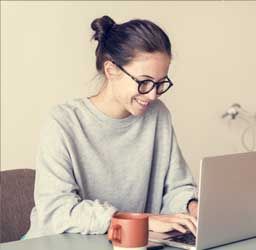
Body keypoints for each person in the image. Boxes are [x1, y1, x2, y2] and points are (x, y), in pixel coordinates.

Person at [24, 15, 198, 239]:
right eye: (144, 82)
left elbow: (177, 188)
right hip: (56, 243)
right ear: (111, 70)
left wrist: (192, 207)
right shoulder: (63, 122)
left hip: (125, 242)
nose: (153, 94)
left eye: (160, 83)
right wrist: (143, 221)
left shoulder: (157, 115)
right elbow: (57, 210)